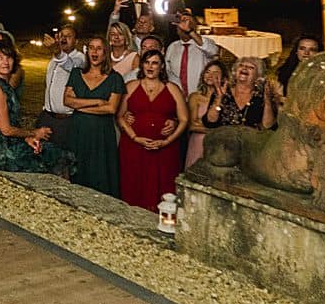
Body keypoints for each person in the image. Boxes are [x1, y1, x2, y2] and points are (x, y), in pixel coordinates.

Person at [0, 42, 74, 177]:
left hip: (8, 143)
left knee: (49, 150)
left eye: (9, 58)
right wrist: (34, 133)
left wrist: (27, 139)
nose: (5, 62)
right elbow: (6, 130)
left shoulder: (5, 86)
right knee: (59, 155)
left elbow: (12, 123)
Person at [118, 48, 188, 212]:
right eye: (147, 62)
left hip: (165, 150)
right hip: (133, 147)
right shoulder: (131, 86)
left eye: (155, 63)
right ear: (141, 65)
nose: (150, 67)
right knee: (133, 184)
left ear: (162, 66)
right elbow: (120, 116)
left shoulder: (172, 88)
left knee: (163, 187)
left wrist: (167, 141)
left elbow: (184, 119)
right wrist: (135, 137)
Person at [62, 35, 124, 197]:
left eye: (99, 48)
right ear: (87, 51)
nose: (94, 52)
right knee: (77, 171)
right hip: (78, 130)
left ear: (105, 52)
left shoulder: (115, 78)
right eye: (91, 48)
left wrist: (80, 105)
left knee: (100, 174)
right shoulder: (76, 74)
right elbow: (67, 101)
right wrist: (96, 101)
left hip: (101, 134)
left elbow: (111, 109)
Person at [185, 59, 229, 168]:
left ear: (223, 78)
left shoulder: (226, 99)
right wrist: (217, 130)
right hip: (198, 142)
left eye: (215, 73)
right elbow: (192, 125)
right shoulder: (195, 97)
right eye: (208, 72)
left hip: (218, 145)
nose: (210, 75)